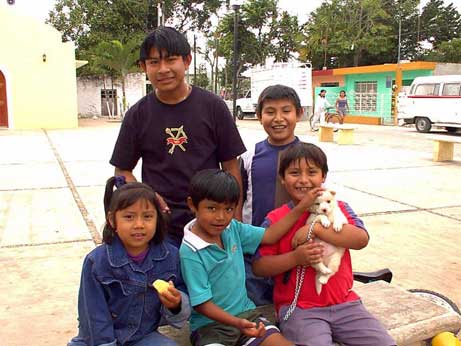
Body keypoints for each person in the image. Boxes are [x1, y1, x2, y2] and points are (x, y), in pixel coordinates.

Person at [110, 26, 246, 248]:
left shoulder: (213, 107)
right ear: (144, 67)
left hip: (209, 224)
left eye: (171, 60)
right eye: (154, 62)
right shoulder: (137, 114)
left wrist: (234, 221)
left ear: (187, 61)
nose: (163, 69)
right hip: (160, 227)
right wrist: (149, 198)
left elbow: (231, 166)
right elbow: (122, 171)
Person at [252, 143, 396, 346]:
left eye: (312, 172)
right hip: (300, 309)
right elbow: (259, 267)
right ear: (282, 179)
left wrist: (316, 229)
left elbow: (360, 239)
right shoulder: (276, 219)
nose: (303, 180)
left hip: (346, 304)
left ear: (323, 177)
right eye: (294, 173)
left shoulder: (339, 208)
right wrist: (296, 258)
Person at [180, 169, 318, 346]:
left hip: (247, 314)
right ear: (192, 205)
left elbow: (270, 235)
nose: (221, 217)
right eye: (211, 208)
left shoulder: (232, 229)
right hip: (210, 328)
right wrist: (236, 323)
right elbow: (202, 305)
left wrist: (300, 207)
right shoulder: (190, 251)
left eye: (228, 209)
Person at [68, 177, 191, 346]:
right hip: (97, 341)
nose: (139, 224)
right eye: (129, 217)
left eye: (147, 216)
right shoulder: (96, 262)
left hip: (142, 338)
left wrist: (176, 303)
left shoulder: (170, 256)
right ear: (112, 220)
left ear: (157, 219)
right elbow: (94, 317)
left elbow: (182, 304)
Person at [240, 84, 304, 305]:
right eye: (270, 112)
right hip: (255, 251)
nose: (278, 118)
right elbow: (239, 201)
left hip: (295, 250)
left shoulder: (310, 158)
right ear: (259, 116)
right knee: (255, 308)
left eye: (286, 110)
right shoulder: (249, 157)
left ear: (299, 113)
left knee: (292, 308)